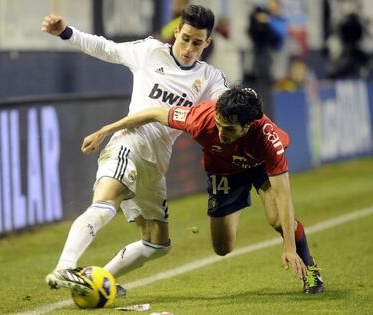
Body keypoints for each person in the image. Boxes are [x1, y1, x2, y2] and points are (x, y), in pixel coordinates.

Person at [41, 5, 230, 296]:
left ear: (208, 43)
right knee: (106, 202)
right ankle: (65, 266)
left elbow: (227, 110)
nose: (189, 48)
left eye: (197, 43)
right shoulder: (150, 51)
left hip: (156, 165)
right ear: (176, 32)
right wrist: (66, 33)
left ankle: (101, 279)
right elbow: (106, 48)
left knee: (157, 244)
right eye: (185, 38)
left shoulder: (210, 79)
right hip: (129, 143)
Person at [82, 85, 324, 294]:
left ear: (248, 126)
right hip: (224, 172)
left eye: (229, 129)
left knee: (277, 218)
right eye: (219, 125)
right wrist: (105, 130)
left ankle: (311, 269)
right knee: (222, 248)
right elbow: (153, 113)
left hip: (259, 167)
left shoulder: (267, 139)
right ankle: (238, 206)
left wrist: (289, 247)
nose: (220, 133)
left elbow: (284, 196)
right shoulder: (201, 118)